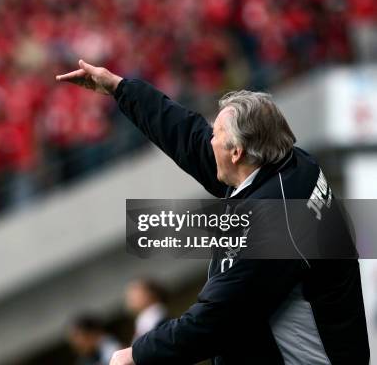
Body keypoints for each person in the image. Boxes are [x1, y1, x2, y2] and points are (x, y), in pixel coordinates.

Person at [56, 60, 370, 365]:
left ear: (237, 152)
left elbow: (218, 320)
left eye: (216, 133)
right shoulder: (289, 164)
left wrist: (136, 354)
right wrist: (121, 88)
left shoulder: (278, 222)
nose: (210, 138)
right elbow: (190, 138)